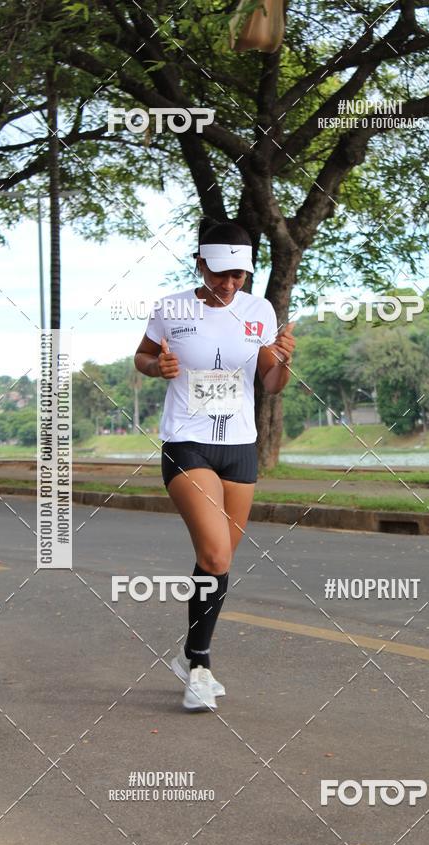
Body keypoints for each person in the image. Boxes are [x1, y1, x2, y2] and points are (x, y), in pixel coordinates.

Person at [134, 219, 295, 712]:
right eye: (220, 273)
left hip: (239, 446)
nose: (228, 284)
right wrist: (156, 367)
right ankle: (200, 668)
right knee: (217, 554)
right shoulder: (171, 308)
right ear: (200, 263)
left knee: (215, 562)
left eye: (238, 275)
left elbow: (270, 384)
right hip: (188, 443)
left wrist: (284, 361)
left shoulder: (259, 311)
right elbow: (142, 357)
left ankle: (189, 654)